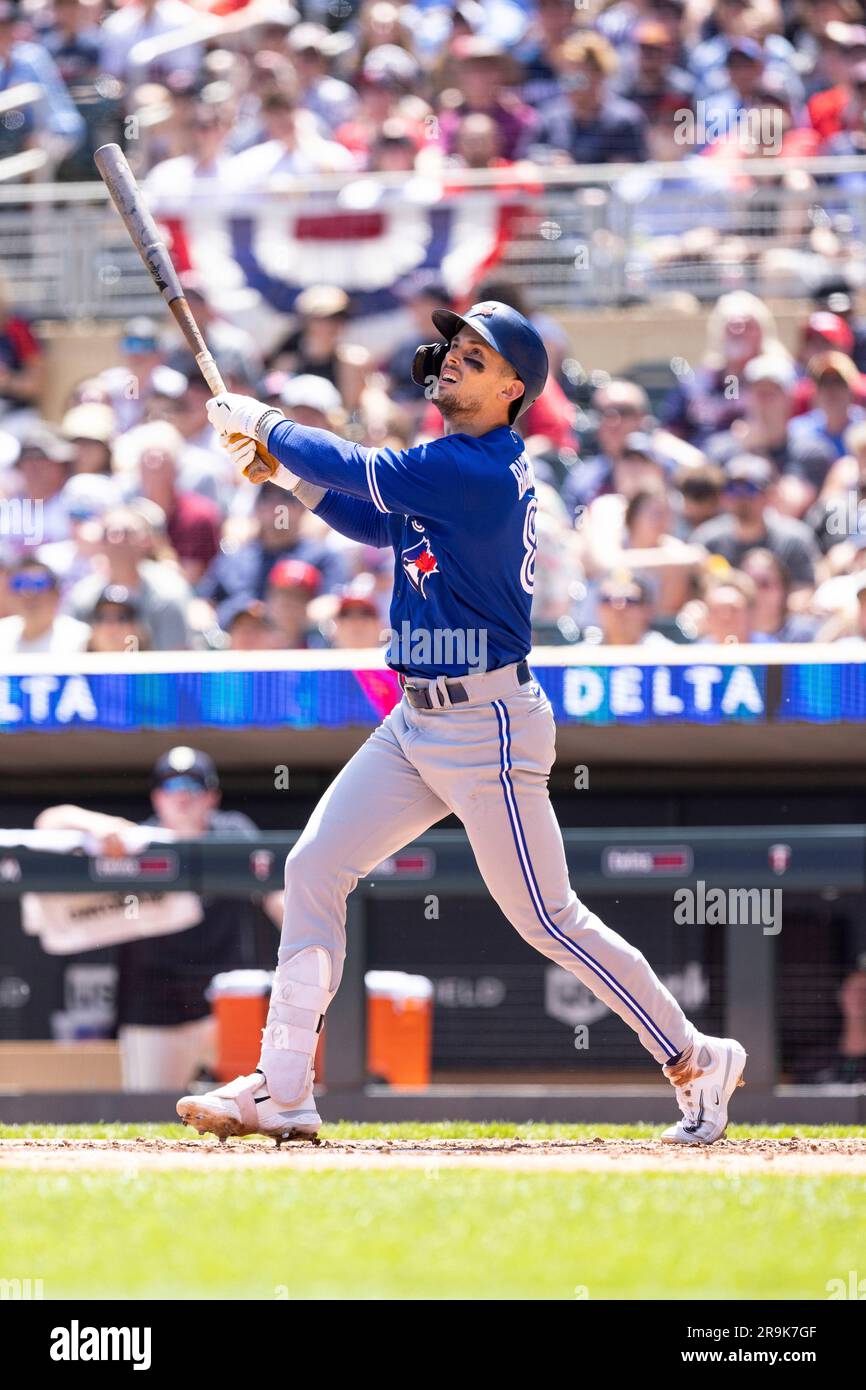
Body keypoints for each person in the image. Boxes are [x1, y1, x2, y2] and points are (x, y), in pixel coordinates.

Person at [177, 299, 748, 1146]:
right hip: (416, 719)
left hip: (488, 725)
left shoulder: (473, 468)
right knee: (315, 866)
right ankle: (283, 1086)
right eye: (454, 348)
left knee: (547, 919)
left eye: (477, 357)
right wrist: (280, 473)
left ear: (515, 388)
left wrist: (265, 423)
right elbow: (378, 520)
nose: (452, 360)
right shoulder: (451, 468)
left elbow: (365, 469)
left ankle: (694, 1055)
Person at [35, 748, 280, 1092]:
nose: (182, 796)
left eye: (193, 787)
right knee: (150, 1120)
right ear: (156, 797)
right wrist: (102, 827)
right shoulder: (137, 842)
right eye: (171, 786)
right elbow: (50, 820)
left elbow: (278, 898)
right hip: (153, 1009)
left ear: (212, 796)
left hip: (225, 1008)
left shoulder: (233, 832)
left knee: (253, 1109)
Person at [0, 556, 90, 652]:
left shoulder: (81, 637)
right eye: (19, 584)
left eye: (38, 584)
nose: (28, 593)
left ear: (56, 594)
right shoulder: (2, 633)